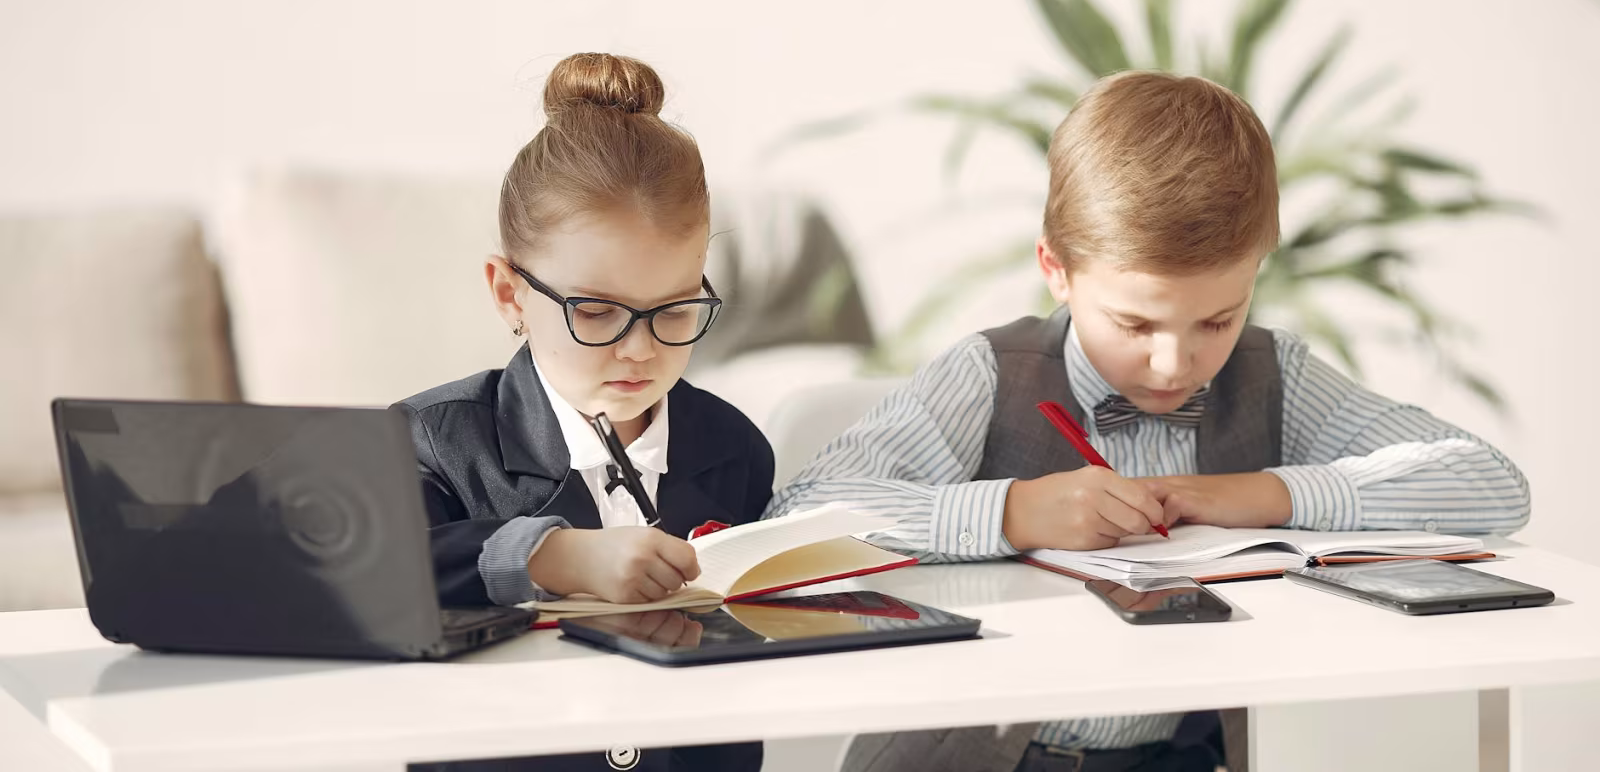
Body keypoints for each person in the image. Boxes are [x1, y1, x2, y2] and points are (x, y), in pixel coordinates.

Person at [769, 69, 1531, 772]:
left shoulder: (1276, 373)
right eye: (1135, 325)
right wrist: (1014, 509)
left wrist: (1259, 494)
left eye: (1218, 320)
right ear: (1056, 269)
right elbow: (801, 516)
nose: (1176, 364)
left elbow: (1491, 486)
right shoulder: (987, 373)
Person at [397, 52, 772, 772]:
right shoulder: (429, 441)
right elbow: (348, 570)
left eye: (675, 309)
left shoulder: (735, 447)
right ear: (510, 294)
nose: (639, 350)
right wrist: (549, 555)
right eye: (595, 312)